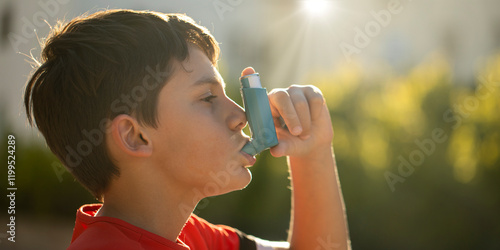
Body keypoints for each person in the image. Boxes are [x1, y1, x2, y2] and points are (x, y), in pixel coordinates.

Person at [24, 9, 350, 250]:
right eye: (208, 98)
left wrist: (313, 152)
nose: (240, 116)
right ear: (134, 136)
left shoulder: (189, 235)